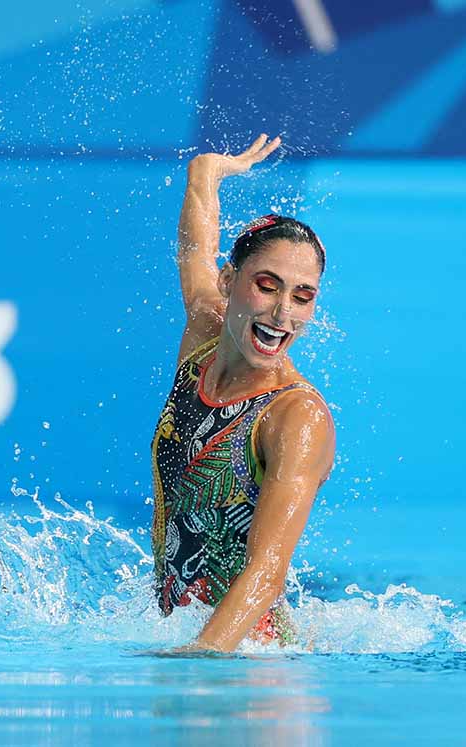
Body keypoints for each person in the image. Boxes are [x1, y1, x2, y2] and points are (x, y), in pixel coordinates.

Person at [151, 134, 336, 652]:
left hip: (253, 667)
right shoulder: (206, 333)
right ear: (230, 282)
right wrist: (206, 173)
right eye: (267, 285)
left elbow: (268, 569)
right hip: (189, 638)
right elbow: (196, 249)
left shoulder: (295, 416)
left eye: (303, 297)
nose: (283, 315)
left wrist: (200, 656)